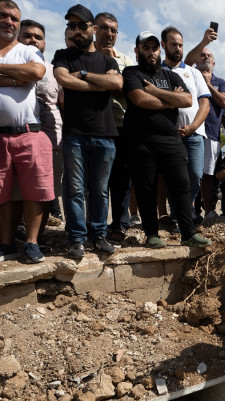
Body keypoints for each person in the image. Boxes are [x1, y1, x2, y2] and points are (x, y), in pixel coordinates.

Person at [0, 0, 54, 264]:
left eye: (15, 18)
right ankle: (5, 244)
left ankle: (31, 243)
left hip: (30, 133)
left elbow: (36, 71)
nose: (9, 22)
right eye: (3, 16)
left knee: (35, 191)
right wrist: (17, 79)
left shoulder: (28, 50)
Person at [122, 31, 210, 249]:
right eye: (146, 48)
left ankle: (188, 233)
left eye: (154, 48)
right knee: (147, 188)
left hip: (171, 139)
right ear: (137, 51)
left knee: (182, 186)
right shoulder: (131, 73)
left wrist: (155, 91)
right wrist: (170, 99)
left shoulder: (170, 75)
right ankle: (152, 234)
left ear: (159, 50)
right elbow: (140, 99)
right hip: (141, 140)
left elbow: (188, 99)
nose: (151, 53)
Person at [53, 4, 121, 258]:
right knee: (74, 189)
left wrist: (82, 74)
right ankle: (77, 239)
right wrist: (97, 83)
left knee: (101, 190)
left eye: (82, 25)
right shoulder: (62, 54)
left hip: (104, 134)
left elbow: (116, 82)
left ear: (93, 29)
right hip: (74, 134)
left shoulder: (107, 59)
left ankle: (99, 235)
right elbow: (62, 79)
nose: (77, 30)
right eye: (72, 26)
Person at [161, 26, 210, 226]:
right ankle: (179, 216)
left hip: (195, 133)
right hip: (169, 135)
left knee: (196, 175)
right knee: (174, 177)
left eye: (180, 45)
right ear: (163, 45)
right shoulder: (158, 72)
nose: (178, 48)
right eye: (173, 44)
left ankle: (185, 210)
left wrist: (192, 127)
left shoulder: (193, 72)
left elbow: (205, 104)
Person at [95, 11, 138, 241]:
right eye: (104, 28)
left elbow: (132, 91)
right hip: (93, 125)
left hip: (121, 126)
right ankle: (96, 227)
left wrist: (113, 80)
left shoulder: (126, 61)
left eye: (113, 30)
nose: (109, 34)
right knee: (96, 182)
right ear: (94, 29)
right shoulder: (86, 57)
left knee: (121, 180)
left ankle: (120, 225)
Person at [18, 19, 63, 229]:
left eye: (38, 37)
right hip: (18, 137)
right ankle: (16, 228)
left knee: (46, 188)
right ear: (18, 37)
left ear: (45, 43)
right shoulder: (9, 65)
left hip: (52, 139)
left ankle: (39, 234)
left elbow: (63, 104)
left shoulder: (54, 71)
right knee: (18, 188)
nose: (33, 40)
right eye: (28, 35)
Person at [195, 49, 225, 221]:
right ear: (196, 61)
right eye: (202, 55)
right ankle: (189, 213)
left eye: (209, 55)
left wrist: (207, 84)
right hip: (192, 131)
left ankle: (209, 211)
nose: (206, 57)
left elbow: (224, 102)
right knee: (191, 174)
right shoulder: (190, 77)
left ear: (214, 64)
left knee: (208, 175)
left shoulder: (220, 82)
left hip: (212, 134)